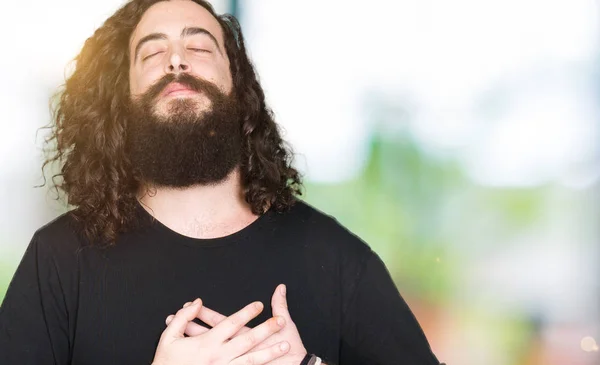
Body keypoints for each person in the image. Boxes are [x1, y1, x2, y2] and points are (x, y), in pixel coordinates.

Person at [0, 0, 443, 364]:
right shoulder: (57, 260)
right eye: (153, 53)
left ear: (238, 87)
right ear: (123, 100)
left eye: (200, 47)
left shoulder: (337, 257)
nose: (176, 59)